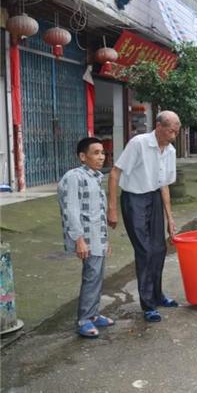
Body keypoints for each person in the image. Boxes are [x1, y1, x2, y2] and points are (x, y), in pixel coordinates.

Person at [108, 110, 180, 323]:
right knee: (145, 250)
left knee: (159, 249)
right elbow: (114, 173)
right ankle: (147, 304)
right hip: (134, 199)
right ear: (158, 126)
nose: (173, 136)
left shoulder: (170, 151)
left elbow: (164, 184)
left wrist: (170, 218)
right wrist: (111, 209)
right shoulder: (139, 143)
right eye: (171, 131)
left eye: (176, 132)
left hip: (155, 198)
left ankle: (157, 296)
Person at [58, 137, 114, 338]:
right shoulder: (74, 177)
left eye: (103, 153)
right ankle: (84, 319)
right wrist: (79, 239)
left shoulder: (94, 177)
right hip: (86, 238)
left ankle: (93, 314)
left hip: (97, 237)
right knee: (91, 277)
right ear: (83, 156)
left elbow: (97, 212)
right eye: (96, 153)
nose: (101, 157)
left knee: (97, 276)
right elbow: (71, 209)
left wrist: (105, 239)